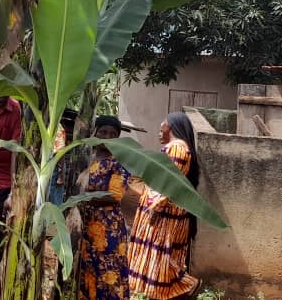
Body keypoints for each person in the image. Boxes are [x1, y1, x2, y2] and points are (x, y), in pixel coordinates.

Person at [128, 112, 202, 299]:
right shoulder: (176, 148)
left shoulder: (177, 148)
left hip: (163, 214)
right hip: (164, 212)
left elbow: (169, 182)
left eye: (164, 123)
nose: (160, 128)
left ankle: (187, 285)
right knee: (161, 259)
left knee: (162, 257)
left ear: (173, 126)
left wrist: (155, 207)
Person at [78, 116, 131, 300]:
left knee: (108, 272)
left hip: (108, 227)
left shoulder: (119, 161)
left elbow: (115, 195)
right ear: (95, 132)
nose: (107, 137)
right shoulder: (86, 158)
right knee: (89, 269)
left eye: (112, 134)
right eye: (103, 132)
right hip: (86, 224)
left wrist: (84, 198)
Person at [0, 96, 22, 258]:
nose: (1, 97)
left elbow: (15, 149)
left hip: (0, 182)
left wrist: (13, 192)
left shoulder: (14, 108)